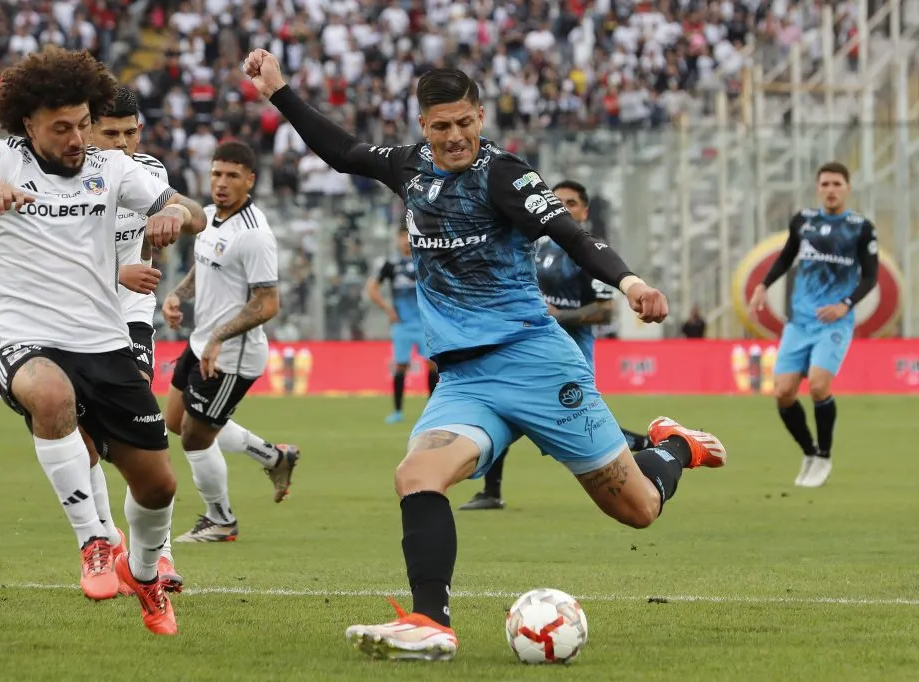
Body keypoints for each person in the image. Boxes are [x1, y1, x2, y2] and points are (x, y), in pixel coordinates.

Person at [243, 50, 727, 662]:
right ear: (423, 125)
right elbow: (343, 153)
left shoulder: (505, 175)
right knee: (416, 476)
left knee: (638, 509)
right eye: (441, 126)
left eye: (464, 123)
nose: (454, 137)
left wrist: (630, 283)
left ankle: (676, 446)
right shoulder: (410, 169)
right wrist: (280, 92)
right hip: (464, 379)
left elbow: (571, 235)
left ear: (479, 115)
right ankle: (430, 621)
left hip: (534, 364)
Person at [0, 46, 207, 636]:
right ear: (29, 123)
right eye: (63, 127)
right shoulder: (1, 159)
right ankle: (94, 543)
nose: (78, 136)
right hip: (26, 340)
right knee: (50, 398)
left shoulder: (112, 167)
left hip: (104, 342)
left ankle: (146, 571)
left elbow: (190, 212)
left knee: (158, 486)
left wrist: (174, 217)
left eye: (84, 122)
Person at [459, 180, 652, 511]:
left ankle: (652, 444)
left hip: (569, 357)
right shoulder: (540, 249)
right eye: (558, 202)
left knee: (584, 428)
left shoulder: (590, 254)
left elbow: (603, 311)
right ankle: (492, 491)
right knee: (505, 410)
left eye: (572, 203)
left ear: (585, 210)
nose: (564, 207)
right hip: (531, 349)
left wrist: (556, 317)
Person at [161, 141, 301, 543]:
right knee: (175, 421)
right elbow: (203, 269)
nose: (221, 183)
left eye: (232, 176)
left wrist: (220, 337)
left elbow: (268, 303)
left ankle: (221, 520)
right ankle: (275, 457)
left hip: (232, 356)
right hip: (201, 342)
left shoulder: (255, 236)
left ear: (250, 180)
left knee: (195, 437)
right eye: (217, 174)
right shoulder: (206, 218)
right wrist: (176, 295)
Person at [89, 85, 182, 593]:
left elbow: (155, 239)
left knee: (141, 419)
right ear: (87, 130)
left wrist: (161, 236)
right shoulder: (66, 181)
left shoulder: (152, 172)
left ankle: (160, 554)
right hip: (77, 313)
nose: (122, 144)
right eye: (111, 133)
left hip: (130, 313)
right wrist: (118, 271)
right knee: (86, 440)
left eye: (131, 132)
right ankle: (104, 541)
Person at [748, 161, 877, 489]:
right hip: (799, 322)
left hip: (834, 322)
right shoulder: (803, 221)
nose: (831, 190)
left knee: (819, 386)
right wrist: (763, 285)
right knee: (783, 393)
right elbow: (786, 257)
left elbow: (871, 276)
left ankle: (824, 455)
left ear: (847, 188)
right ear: (817, 188)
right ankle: (809, 452)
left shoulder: (860, 227)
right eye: (825, 184)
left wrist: (844, 305)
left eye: (837, 183)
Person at [366, 224, 439, 424]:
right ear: (397, 239)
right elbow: (372, 288)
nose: (405, 241)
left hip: (425, 324)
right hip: (403, 325)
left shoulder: (426, 260)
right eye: (402, 237)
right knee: (400, 366)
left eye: (408, 236)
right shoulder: (391, 264)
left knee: (432, 365)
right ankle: (397, 411)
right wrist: (388, 309)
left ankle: (433, 409)